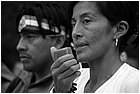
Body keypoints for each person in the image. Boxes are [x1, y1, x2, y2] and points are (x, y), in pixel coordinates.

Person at [50, 1, 139, 93]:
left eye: (86, 21)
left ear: (119, 29)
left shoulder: (132, 83)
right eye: (74, 24)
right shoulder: (73, 80)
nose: (75, 33)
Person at [5, 2, 71, 93]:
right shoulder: (19, 82)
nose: (19, 46)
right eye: (20, 37)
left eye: (30, 37)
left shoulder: (74, 84)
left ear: (58, 41)